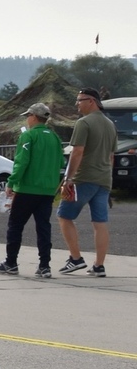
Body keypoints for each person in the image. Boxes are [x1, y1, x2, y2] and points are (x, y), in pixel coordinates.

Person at [0, 103, 63, 279]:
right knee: (43, 227)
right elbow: (61, 162)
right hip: (47, 190)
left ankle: (11, 262)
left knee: (15, 225)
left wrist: (11, 182)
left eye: (28, 116)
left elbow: (21, 162)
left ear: (34, 117)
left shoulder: (28, 136)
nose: (27, 119)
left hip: (26, 189)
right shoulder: (54, 138)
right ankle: (44, 265)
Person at [58, 87, 118, 277]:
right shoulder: (110, 124)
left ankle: (75, 258)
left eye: (80, 100)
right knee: (100, 222)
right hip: (104, 179)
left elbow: (77, 152)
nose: (77, 104)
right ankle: (99, 265)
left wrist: (68, 178)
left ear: (91, 101)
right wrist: (108, 178)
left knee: (64, 216)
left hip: (83, 178)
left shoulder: (83, 123)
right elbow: (111, 156)